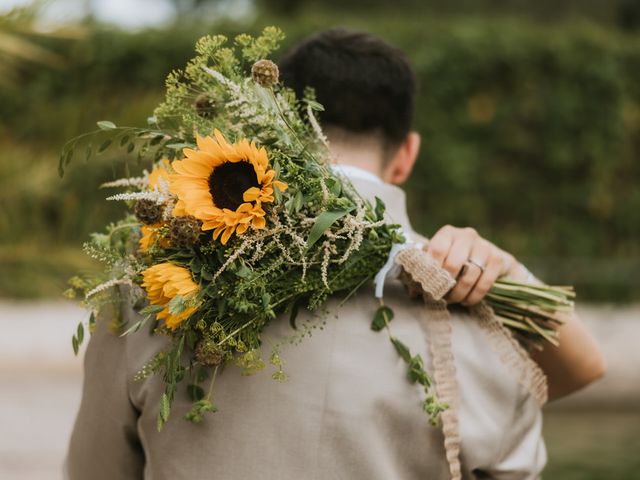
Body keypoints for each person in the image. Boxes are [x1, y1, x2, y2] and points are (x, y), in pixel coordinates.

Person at [66, 28, 604, 479]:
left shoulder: (149, 291)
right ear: (407, 154)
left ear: (271, 127)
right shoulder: (489, 330)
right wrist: (508, 272)